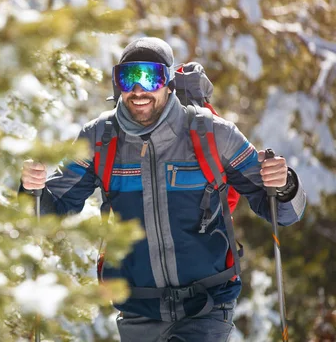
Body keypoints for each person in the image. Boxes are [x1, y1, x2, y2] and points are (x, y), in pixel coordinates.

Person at [20, 37, 306, 342]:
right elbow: (50, 211)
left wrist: (284, 183)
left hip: (207, 304)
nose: (139, 89)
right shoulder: (99, 140)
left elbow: (279, 210)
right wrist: (32, 190)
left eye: (150, 76)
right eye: (128, 77)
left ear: (168, 81)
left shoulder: (213, 133)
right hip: (137, 307)